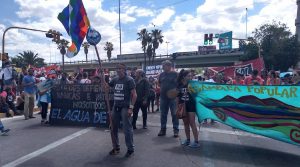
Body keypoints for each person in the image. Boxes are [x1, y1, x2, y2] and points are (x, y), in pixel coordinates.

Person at [108, 63, 137, 158]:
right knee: (113, 127)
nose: (118, 70)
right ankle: (116, 147)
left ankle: (130, 149)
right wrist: (103, 82)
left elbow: (134, 95)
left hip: (125, 108)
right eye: (117, 68)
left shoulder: (129, 80)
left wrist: (131, 108)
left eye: (120, 68)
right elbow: (107, 87)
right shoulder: (115, 79)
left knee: (127, 129)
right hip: (116, 107)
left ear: (124, 70)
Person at [177, 69, 200, 148]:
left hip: (191, 105)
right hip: (183, 106)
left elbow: (197, 95)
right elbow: (177, 97)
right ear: (184, 77)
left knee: (192, 123)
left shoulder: (193, 84)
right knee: (186, 123)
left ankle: (196, 141)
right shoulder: (179, 85)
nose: (190, 77)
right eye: (188, 76)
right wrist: (177, 107)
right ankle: (188, 140)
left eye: (191, 76)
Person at [157, 60, 179, 137]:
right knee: (163, 114)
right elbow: (159, 83)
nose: (163, 67)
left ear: (169, 66)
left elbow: (179, 84)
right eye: (162, 66)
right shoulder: (161, 74)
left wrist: (175, 92)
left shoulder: (175, 74)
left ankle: (176, 130)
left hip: (173, 98)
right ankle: (163, 129)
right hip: (163, 97)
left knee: (174, 114)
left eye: (164, 65)